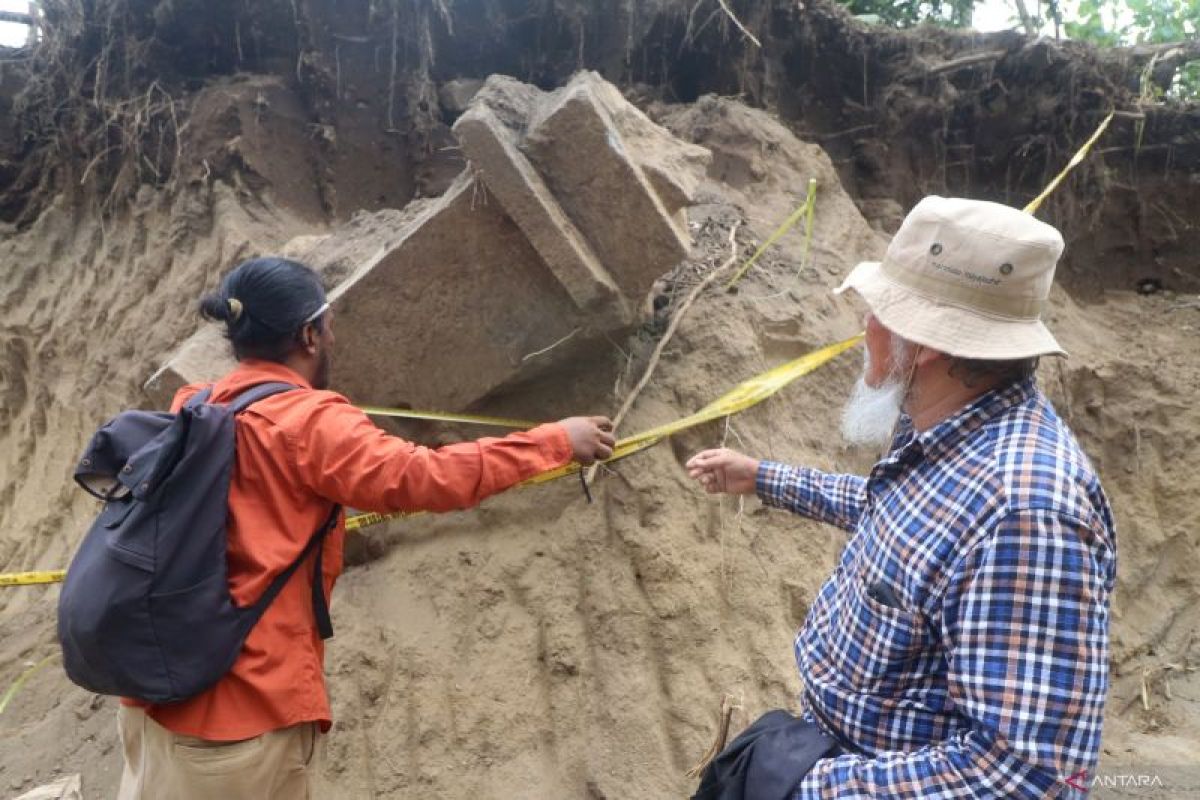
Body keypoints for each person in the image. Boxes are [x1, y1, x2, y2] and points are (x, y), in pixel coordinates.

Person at [116, 256, 615, 799]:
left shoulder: (195, 404)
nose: (334, 335)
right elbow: (421, 476)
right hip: (239, 722)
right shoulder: (309, 421)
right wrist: (555, 442)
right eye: (329, 324)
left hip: (153, 702)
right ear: (309, 335)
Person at [687, 197, 1116, 798]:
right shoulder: (950, 431)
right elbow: (900, 519)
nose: (866, 327)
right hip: (834, 752)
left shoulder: (1027, 515)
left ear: (929, 343)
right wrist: (762, 476)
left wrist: (807, 786)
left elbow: (1025, 778)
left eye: (880, 311)